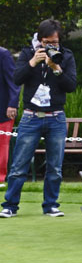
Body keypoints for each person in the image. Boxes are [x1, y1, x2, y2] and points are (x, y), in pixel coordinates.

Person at [1, 20, 77, 218]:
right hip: (31, 116)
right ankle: (10, 205)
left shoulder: (66, 56)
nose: (51, 46)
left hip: (56, 117)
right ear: (39, 39)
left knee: (55, 167)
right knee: (19, 165)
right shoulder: (28, 54)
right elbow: (16, 79)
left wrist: (56, 68)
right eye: (46, 42)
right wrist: (33, 62)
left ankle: (51, 205)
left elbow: (71, 86)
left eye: (54, 42)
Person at [1, 46, 20, 188]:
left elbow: (13, 81)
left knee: (2, 145)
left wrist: (13, 104)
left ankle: (0, 178)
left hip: (3, 110)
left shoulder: (3, 54)